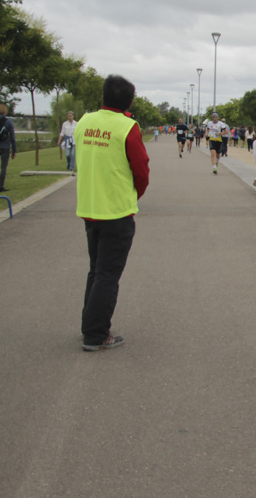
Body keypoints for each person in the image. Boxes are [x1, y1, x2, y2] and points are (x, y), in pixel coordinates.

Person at [74, 74, 149, 351]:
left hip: (90, 209)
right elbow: (141, 170)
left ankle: (89, 325)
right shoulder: (127, 127)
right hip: (116, 212)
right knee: (107, 275)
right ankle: (96, 334)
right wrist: (132, 195)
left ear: (103, 96)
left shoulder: (84, 121)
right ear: (130, 100)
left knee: (96, 270)